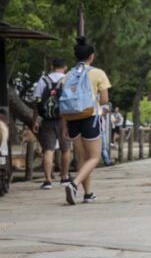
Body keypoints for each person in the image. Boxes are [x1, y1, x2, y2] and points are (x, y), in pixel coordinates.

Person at [63, 37, 111, 205]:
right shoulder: (98, 73)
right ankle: (74, 184)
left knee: (82, 158)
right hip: (90, 117)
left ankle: (88, 194)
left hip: (71, 119)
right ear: (91, 56)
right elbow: (104, 100)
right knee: (94, 157)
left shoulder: (68, 75)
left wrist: (65, 125)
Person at [31, 57, 72, 189]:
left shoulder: (43, 80)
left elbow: (37, 102)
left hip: (47, 120)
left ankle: (48, 180)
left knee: (48, 150)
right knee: (66, 149)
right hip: (63, 119)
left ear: (52, 66)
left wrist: (35, 121)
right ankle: (64, 177)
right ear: (65, 67)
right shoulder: (67, 79)